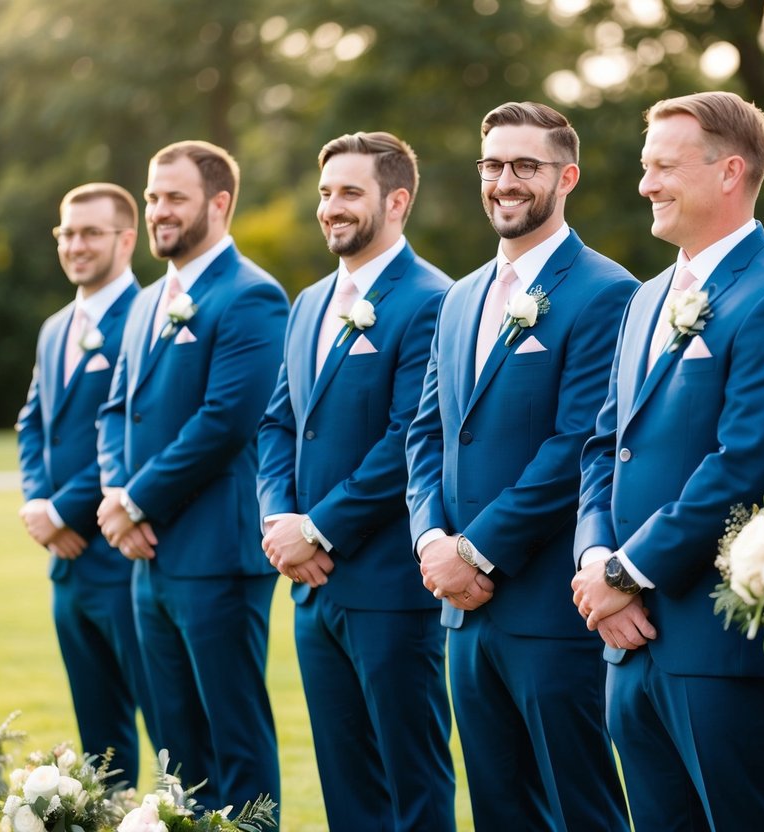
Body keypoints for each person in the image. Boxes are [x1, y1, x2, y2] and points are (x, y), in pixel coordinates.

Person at [572, 91, 764, 831]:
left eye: (662, 166)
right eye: (643, 165)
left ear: (728, 172)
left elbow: (744, 466)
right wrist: (597, 558)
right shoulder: (646, 298)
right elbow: (605, 445)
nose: (644, 183)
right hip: (627, 639)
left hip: (719, 642)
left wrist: (628, 572)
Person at [404, 101, 634, 831]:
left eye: (524, 166)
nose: (505, 181)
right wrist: (431, 541)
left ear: (566, 176)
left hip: (548, 609)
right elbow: (426, 434)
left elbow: (575, 445)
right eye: (493, 165)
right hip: (462, 613)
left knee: (580, 808)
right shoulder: (460, 297)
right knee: (499, 812)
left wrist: (478, 550)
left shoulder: (606, 292)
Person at [257, 132, 455, 831]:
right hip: (313, 587)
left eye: (349, 193)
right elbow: (278, 424)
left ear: (396, 201)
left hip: (390, 588)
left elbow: (407, 438)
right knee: (345, 785)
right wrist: (280, 523)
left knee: (413, 780)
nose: (330, 208)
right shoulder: (308, 302)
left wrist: (319, 527)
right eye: (324, 193)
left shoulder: (433, 300)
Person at [95, 140, 288, 813]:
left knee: (234, 739)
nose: (157, 211)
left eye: (173, 197)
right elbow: (116, 407)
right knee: (174, 747)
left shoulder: (252, 296)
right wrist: (118, 496)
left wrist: (138, 501)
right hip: (150, 560)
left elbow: (224, 423)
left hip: (217, 557)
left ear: (219, 202)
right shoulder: (150, 301)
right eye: (151, 197)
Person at [16, 182, 155, 783]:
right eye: (66, 233)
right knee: (99, 743)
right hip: (67, 568)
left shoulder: (148, 318)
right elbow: (32, 423)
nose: (75, 245)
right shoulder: (54, 328)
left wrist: (67, 512)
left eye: (90, 232)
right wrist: (39, 506)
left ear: (126, 239)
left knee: (169, 729)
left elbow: (129, 433)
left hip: (125, 557)